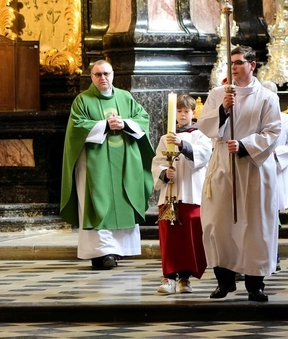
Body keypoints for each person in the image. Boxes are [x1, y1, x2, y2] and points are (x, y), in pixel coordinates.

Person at [197, 46, 282, 302]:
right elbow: (204, 125)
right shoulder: (217, 94)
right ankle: (224, 281)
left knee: (255, 227)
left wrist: (245, 145)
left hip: (253, 169)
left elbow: (273, 132)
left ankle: (255, 284)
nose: (233, 67)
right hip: (223, 165)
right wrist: (223, 110)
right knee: (217, 224)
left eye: (238, 62)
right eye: (230, 63)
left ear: (252, 65)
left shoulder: (267, 97)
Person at [60, 60, 154, 270]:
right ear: (91, 77)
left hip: (124, 162)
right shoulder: (82, 100)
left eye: (106, 74)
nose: (103, 78)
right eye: (98, 74)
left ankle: (120, 250)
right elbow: (76, 127)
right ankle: (101, 252)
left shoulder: (125, 97)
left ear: (113, 75)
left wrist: (125, 123)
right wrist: (104, 125)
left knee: (123, 198)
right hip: (95, 164)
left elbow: (142, 118)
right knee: (97, 202)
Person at [151, 94, 211, 294]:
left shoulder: (200, 135)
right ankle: (168, 277)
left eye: (186, 111)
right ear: (173, 114)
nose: (183, 115)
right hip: (171, 193)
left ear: (193, 113)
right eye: (179, 111)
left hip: (192, 193)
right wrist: (164, 173)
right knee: (169, 236)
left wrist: (182, 145)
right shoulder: (164, 138)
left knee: (189, 237)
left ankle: (185, 278)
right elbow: (157, 163)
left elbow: (204, 157)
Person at [261, 80, 288, 271]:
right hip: (252, 171)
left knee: (272, 214)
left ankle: (273, 254)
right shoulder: (251, 118)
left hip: (275, 173)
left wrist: (276, 154)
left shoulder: (287, 120)